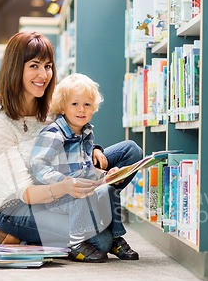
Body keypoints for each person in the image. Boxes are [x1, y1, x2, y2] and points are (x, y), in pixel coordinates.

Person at [0, 30, 143, 262]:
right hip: (17, 206)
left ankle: (90, 213)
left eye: (48, 66)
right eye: (34, 66)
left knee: (131, 152)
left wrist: (94, 149)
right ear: (16, 68)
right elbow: (24, 192)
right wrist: (67, 187)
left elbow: (75, 134)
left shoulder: (50, 104)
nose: (44, 75)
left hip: (63, 187)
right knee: (101, 241)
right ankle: (17, 233)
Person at [30, 72, 139, 262]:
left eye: (87, 105)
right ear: (63, 107)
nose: (81, 110)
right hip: (60, 197)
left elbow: (87, 167)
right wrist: (64, 182)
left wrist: (106, 175)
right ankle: (75, 242)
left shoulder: (86, 132)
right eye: (75, 104)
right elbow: (38, 166)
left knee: (108, 186)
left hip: (84, 190)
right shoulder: (54, 134)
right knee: (81, 189)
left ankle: (115, 236)